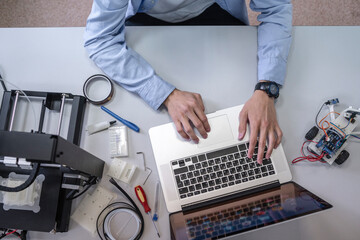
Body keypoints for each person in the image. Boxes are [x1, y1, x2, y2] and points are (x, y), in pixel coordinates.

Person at [84, 0, 292, 164]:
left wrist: (266, 88)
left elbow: (277, 10)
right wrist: (165, 93)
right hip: (146, 18)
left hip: (215, 10)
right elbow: (99, 40)